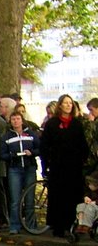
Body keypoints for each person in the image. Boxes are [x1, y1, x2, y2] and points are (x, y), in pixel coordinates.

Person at [40, 94, 90, 237]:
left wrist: (81, 160)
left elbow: (83, 145)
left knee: (73, 196)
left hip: (74, 167)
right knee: (57, 197)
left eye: (70, 103)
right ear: (60, 105)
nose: (68, 105)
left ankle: (72, 225)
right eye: (65, 103)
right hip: (57, 166)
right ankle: (58, 226)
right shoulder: (52, 124)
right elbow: (45, 146)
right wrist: (46, 164)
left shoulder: (77, 124)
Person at [1, 111, 40, 235]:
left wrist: (32, 153)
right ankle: (15, 225)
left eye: (18, 119)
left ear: (22, 120)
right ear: (10, 122)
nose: (16, 121)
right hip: (15, 169)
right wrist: (12, 156)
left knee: (29, 198)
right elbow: (2, 154)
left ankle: (30, 225)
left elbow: (39, 148)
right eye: (13, 119)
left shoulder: (30, 133)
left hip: (29, 168)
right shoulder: (7, 137)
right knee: (15, 199)